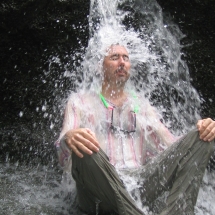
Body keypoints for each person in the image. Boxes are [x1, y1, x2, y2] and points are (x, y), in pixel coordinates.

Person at [55, 44, 215, 215]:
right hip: (99, 189)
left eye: (126, 58)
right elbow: (63, 156)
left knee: (202, 137)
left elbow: (172, 147)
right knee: (84, 145)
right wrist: (69, 138)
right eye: (115, 57)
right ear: (100, 65)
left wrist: (205, 129)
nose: (122, 62)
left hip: (140, 183)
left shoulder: (142, 105)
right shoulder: (79, 102)